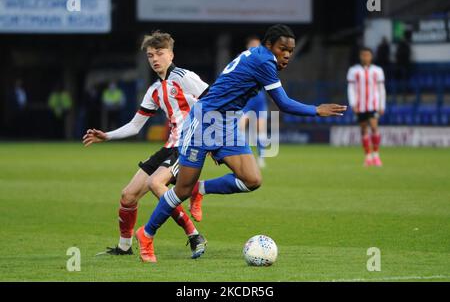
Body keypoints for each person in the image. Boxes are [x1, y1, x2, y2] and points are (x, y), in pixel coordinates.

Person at [134, 24, 347, 263]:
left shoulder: (259, 56)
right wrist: (316, 110)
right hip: (205, 120)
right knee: (181, 190)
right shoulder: (265, 61)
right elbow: (284, 104)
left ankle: (200, 189)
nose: (286, 54)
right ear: (269, 46)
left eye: (290, 50)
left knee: (252, 180)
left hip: (228, 123)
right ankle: (147, 233)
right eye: (282, 49)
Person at [82, 31, 208, 260]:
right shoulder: (154, 90)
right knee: (128, 196)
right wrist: (107, 136)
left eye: (159, 53)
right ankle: (124, 246)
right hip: (170, 146)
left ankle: (194, 235)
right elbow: (135, 125)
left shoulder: (184, 77)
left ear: (171, 54)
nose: (154, 59)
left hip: (190, 146)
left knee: (155, 183)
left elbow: (214, 96)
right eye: (150, 55)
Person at [347, 47, 386, 167]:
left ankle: (376, 155)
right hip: (360, 105)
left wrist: (382, 104)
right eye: (363, 55)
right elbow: (351, 89)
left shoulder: (378, 71)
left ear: (371, 56)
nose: (365, 57)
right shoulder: (353, 71)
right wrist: (353, 104)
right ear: (360, 56)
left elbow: (381, 89)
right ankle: (368, 156)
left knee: (374, 126)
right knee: (364, 129)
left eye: (368, 55)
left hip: (373, 104)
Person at [239, 36, 269, 168]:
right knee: (239, 128)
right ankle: (241, 158)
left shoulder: (263, 61)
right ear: (248, 47)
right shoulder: (242, 60)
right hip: (246, 100)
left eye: (257, 46)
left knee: (260, 129)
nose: (255, 49)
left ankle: (261, 158)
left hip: (259, 100)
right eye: (253, 46)